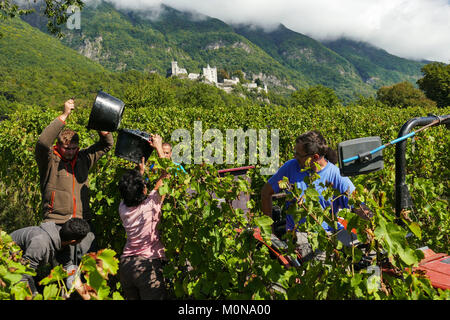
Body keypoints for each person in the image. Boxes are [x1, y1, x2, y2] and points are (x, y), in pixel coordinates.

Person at [261, 130, 371, 259]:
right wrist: (269, 231)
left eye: (298, 154)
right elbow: (265, 192)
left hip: (331, 233)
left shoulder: (336, 175)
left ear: (315, 157)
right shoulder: (290, 167)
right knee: (321, 265)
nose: (295, 156)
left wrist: (371, 222)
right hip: (301, 235)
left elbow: (357, 205)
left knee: (362, 256)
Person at [34, 98, 114, 265]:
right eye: (66, 148)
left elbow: (107, 144)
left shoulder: (83, 158)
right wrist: (64, 115)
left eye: (73, 148)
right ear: (58, 145)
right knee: (63, 272)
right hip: (57, 223)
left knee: (89, 269)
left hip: (82, 223)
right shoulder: (50, 161)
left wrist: (100, 121)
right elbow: (42, 143)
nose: (70, 152)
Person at [118, 134, 170, 300]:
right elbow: (167, 175)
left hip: (126, 266)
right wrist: (159, 148)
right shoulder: (151, 204)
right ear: (143, 191)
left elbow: (133, 189)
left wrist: (140, 173)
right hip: (146, 265)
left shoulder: (123, 207)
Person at [10, 218, 92, 296]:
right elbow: (23, 274)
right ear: (74, 241)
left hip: (20, 266)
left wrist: (88, 297)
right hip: (8, 263)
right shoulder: (40, 243)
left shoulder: (63, 241)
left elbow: (71, 272)